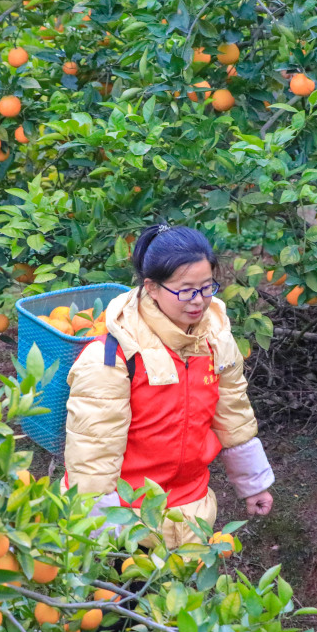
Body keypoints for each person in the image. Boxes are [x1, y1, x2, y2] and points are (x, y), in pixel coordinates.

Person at [62, 223, 275, 549]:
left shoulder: (216, 339)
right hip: (127, 521)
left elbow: (233, 411)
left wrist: (254, 484)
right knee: (124, 598)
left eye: (207, 287)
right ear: (152, 287)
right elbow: (93, 453)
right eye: (186, 290)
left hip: (192, 511)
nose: (198, 301)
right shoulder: (113, 356)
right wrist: (96, 535)